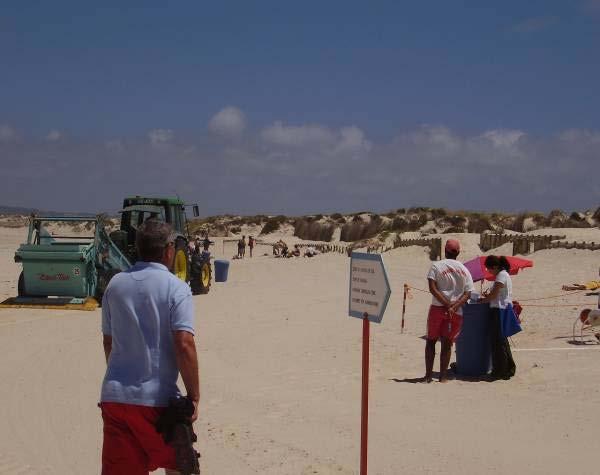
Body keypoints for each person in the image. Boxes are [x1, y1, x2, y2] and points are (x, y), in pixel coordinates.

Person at [99, 219, 200, 474]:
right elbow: (184, 343)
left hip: (115, 399)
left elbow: (108, 342)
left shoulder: (115, 285)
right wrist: (194, 396)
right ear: (168, 250)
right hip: (158, 402)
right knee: (181, 466)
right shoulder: (176, 288)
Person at [424, 239, 474, 383]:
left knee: (431, 341)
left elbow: (432, 288)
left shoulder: (436, 266)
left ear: (444, 250)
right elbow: (468, 293)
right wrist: (455, 305)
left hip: (438, 308)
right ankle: (443, 377)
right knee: (447, 343)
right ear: (458, 253)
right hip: (456, 311)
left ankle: (428, 376)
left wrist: (447, 304)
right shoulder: (465, 270)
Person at [478, 255, 517, 380]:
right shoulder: (504, 274)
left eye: (489, 269)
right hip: (503, 308)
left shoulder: (501, 275)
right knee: (502, 341)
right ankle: (508, 369)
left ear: (495, 267)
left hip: (499, 310)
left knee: (497, 342)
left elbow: (494, 295)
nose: (489, 271)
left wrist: (482, 300)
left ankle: (499, 371)